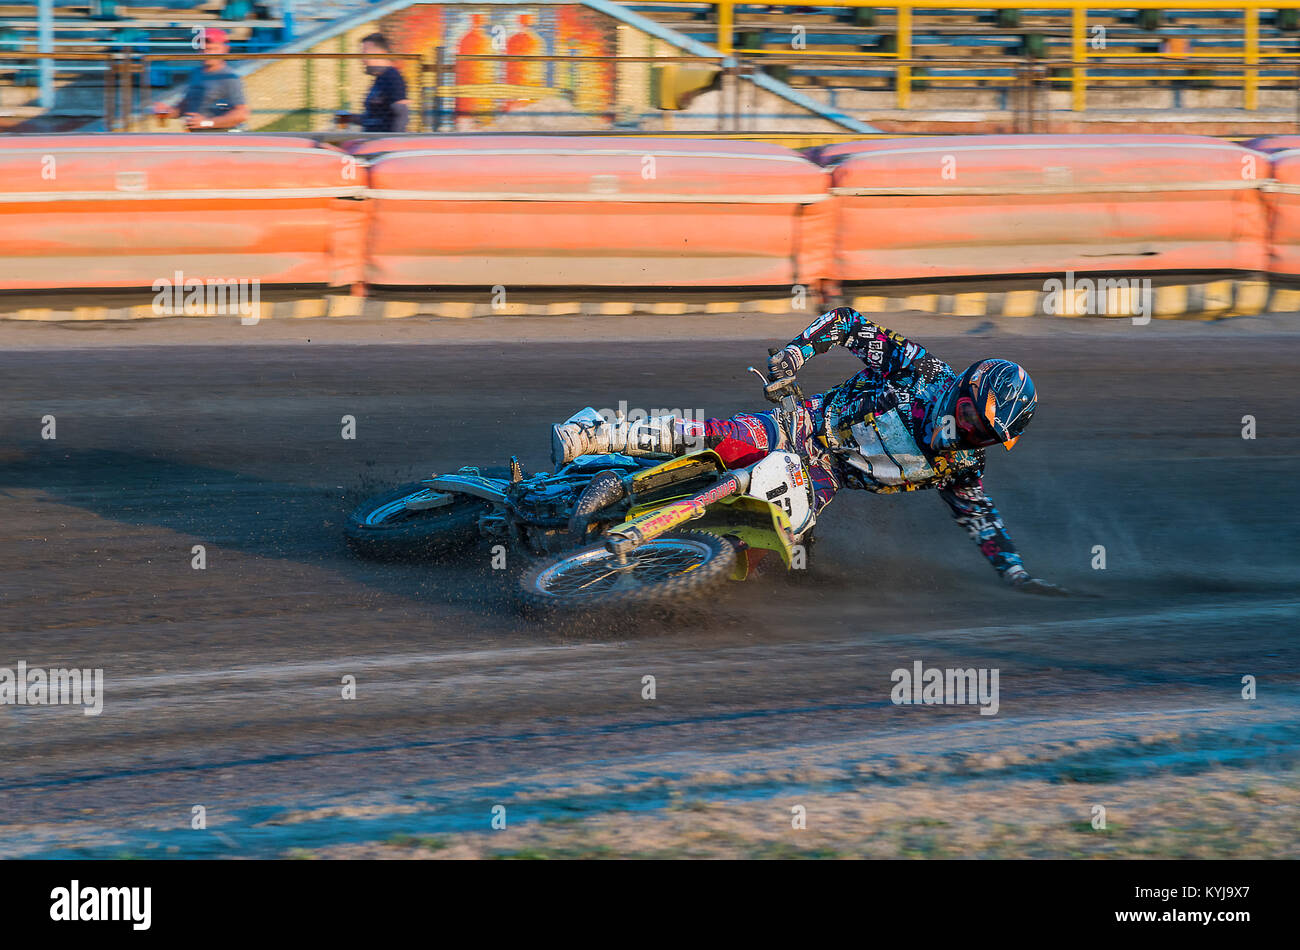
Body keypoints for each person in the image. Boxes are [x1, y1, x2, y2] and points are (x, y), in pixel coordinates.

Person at [551, 307, 1065, 594]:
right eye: (974, 415)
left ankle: (673, 574)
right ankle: (598, 432)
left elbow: (981, 518)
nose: (972, 430)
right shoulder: (921, 371)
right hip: (799, 426)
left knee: (775, 540)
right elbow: (847, 322)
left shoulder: (963, 464)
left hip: (824, 479)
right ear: (965, 390)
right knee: (727, 436)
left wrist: (1015, 573)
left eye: (986, 432)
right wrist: (797, 352)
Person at [154, 28, 249, 131]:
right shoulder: (196, 73)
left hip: (222, 138)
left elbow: (241, 114)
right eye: (203, 49)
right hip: (198, 136)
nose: (206, 53)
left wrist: (205, 123)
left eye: (212, 49)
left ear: (225, 49)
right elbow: (186, 104)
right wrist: (167, 112)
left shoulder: (228, 77)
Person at [341, 33, 410, 133]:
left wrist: (393, 141)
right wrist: (350, 118)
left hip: (382, 143)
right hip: (372, 138)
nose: (363, 60)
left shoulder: (392, 77)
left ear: (381, 53)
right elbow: (372, 118)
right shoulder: (379, 79)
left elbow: (402, 114)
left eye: (365, 54)